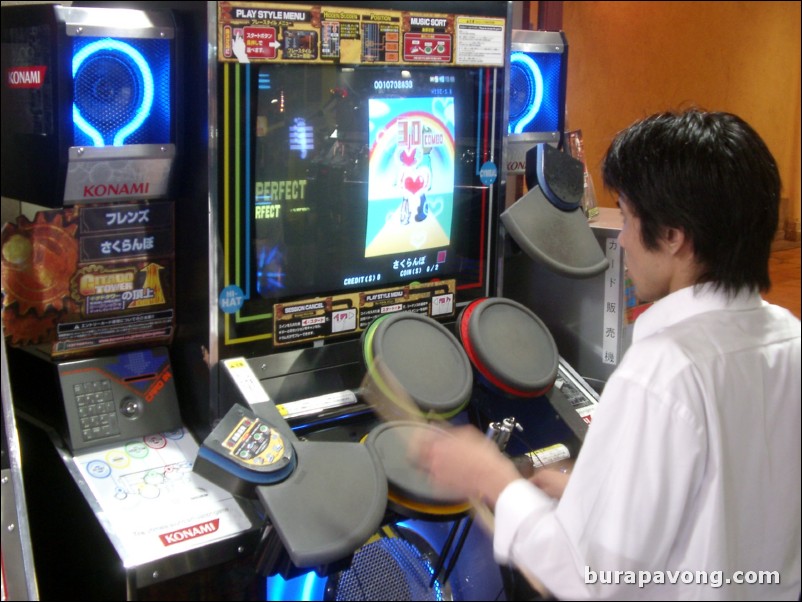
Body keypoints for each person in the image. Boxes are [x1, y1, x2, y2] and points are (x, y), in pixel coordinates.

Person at [415, 109, 801, 600]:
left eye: (631, 217)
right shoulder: (789, 337)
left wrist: (491, 478)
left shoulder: (664, 371)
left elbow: (589, 578)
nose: (622, 239)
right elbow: (725, 506)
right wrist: (588, 499)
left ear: (674, 237)